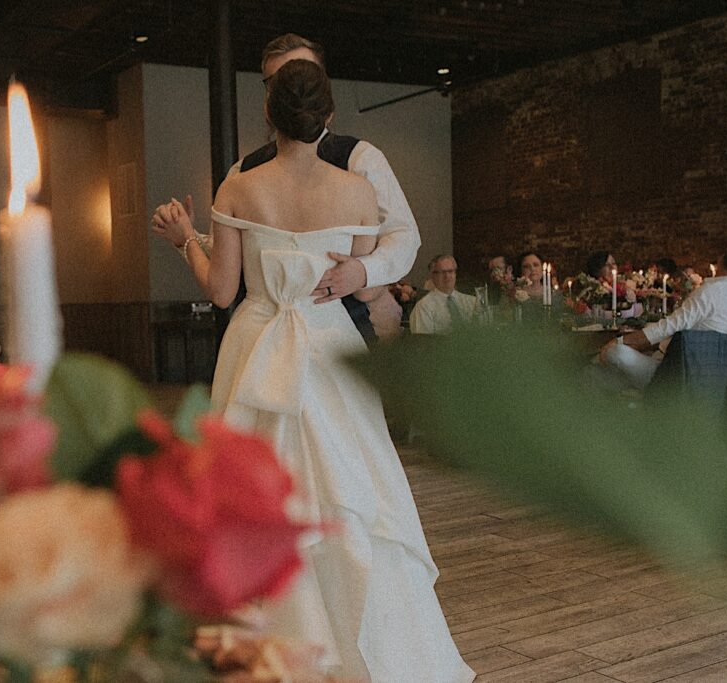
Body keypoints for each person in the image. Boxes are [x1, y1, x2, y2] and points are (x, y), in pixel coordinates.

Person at [162, 59, 473, 682]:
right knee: (350, 491)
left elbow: (222, 292)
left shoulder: (239, 188)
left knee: (254, 494)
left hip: (256, 345)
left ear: (268, 115)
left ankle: (259, 645)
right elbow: (349, 282)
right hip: (330, 347)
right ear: (327, 118)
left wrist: (185, 239)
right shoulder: (358, 191)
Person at [151, 33, 419, 347]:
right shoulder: (242, 170)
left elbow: (403, 235)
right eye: (280, 80)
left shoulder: (361, 159)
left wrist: (364, 271)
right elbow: (243, 259)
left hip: (348, 333)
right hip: (266, 340)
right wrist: (189, 238)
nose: (296, 86)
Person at [600, 241, 727, 389]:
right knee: (607, 377)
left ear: (721, 260)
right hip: (705, 377)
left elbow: (669, 327)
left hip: (671, 376)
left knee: (615, 352)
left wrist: (618, 341)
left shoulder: (708, 293)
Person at [411, 255, 478, 334]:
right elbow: (423, 343)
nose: (447, 276)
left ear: (455, 274)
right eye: (442, 272)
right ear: (433, 276)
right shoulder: (424, 307)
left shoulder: (471, 302)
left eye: (450, 271)